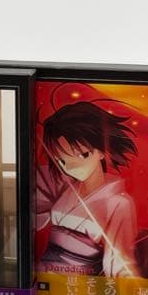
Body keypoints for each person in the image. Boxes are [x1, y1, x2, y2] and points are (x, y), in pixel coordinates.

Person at [34, 100, 140, 278]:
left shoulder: (119, 203)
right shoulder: (65, 187)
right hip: (45, 276)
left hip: (81, 283)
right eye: (62, 161)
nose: (71, 167)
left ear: (101, 152)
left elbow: (119, 261)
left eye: (82, 155)